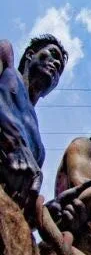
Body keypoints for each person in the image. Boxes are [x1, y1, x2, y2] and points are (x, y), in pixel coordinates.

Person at [0, 35, 67, 208]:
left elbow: (18, 203)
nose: (57, 64)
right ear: (30, 55)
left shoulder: (39, 150)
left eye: (60, 70)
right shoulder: (7, 68)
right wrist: (14, 143)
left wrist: (50, 211)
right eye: (52, 54)